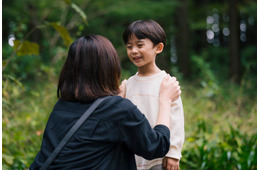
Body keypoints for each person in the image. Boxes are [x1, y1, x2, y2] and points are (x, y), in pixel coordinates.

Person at [29, 34, 181, 170]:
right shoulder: (118, 109)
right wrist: (165, 100)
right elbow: (155, 146)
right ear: (108, 66)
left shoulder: (62, 105)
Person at [122, 20, 185, 170]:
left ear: (158, 47)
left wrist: (173, 153)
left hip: (159, 159)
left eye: (140, 45)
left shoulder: (166, 82)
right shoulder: (128, 84)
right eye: (129, 47)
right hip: (132, 158)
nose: (134, 51)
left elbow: (176, 119)